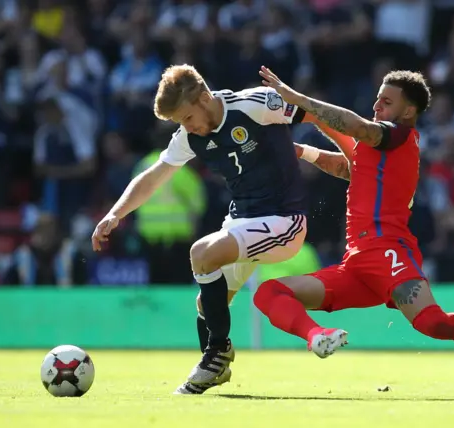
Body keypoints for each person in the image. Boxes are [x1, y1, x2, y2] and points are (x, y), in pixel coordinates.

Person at [252, 66, 454, 391]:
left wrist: (298, 100)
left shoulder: (399, 136)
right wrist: (303, 146)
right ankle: (316, 336)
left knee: (433, 323)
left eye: (387, 101)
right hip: (357, 264)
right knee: (269, 292)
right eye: (378, 99)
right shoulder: (376, 147)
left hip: (388, 250)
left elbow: (353, 126)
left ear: (408, 111)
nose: (377, 106)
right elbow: (349, 166)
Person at [91, 64, 311, 395]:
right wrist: (115, 214)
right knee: (206, 307)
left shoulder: (255, 104)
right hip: (245, 221)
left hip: (285, 221)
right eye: (180, 123)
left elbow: (317, 115)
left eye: (187, 118)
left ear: (204, 98)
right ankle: (215, 367)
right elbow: (153, 176)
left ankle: (217, 354)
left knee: (201, 254)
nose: (186, 127)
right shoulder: (190, 136)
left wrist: (355, 153)